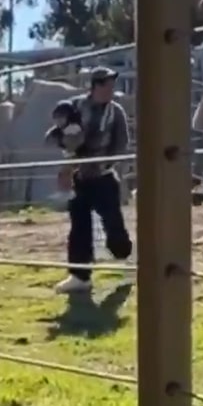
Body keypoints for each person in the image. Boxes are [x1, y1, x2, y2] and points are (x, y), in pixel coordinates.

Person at [53, 66, 133, 294]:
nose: (110, 89)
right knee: (79, 227)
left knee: (114, 226)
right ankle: (79, 276)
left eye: (111, 85)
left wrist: (106, 164)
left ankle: (126, 257)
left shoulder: (115, 112)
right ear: (95, 86)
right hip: (79, 177)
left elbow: (121, 143)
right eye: (105, 84)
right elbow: (62, 136)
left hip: (104, 178)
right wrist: (66, 168)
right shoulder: (75, 106)